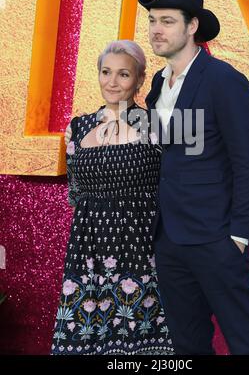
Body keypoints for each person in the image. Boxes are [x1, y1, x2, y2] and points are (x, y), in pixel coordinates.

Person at [137, 0, 249, 355]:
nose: (157, 30)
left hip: (217, 240)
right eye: (152, 21)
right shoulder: (158, 87)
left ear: (192, 25)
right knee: (187, 345)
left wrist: (239, 236)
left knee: (246, 343)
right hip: (170, 240)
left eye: (167, 21)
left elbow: (247, 163)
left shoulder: (224, 81)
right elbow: (171, 158)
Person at [51, 40, 174, 355]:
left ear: (139, 80)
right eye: (106, 72)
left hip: (142, 248)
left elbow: (175, 186)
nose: (112, 82)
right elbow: (75, 191)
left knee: (144, 340)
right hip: (89, 248)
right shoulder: (78, 128)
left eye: (123, 74)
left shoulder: (155, 125)